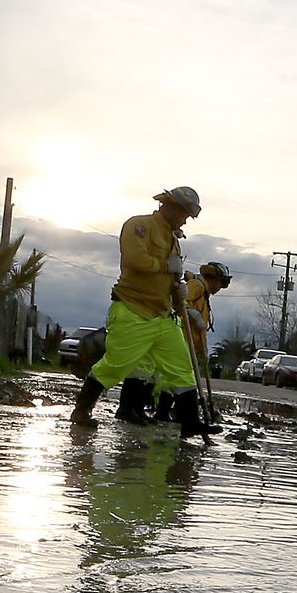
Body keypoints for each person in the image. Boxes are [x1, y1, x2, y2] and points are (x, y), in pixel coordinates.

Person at [69, 186, 222, 439]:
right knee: (116, 364)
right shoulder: (139, 226)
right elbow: (134, 259)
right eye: (184, 214)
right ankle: (81, 411)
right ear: (170, 206)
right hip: (132, 309)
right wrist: (165, 266)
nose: (185, 220)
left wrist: (178, 293)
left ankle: (190, 423)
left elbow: (169, 278)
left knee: (181, 367)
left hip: (161, 315)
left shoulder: (173, 239)